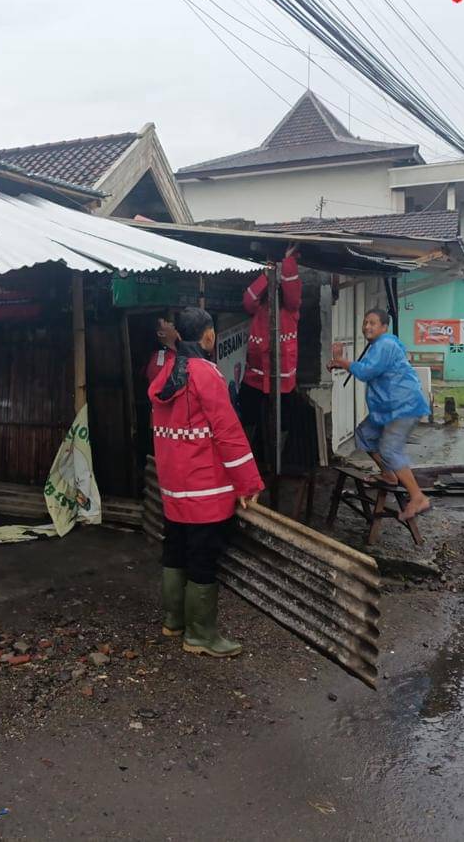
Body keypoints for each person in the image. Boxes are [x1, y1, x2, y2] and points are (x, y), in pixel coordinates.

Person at [149, 307, 264, 658]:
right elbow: (228, 433)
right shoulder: (207, 375)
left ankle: (174, 621)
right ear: (209, 336)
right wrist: (249, 484)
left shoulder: (165, 371)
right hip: (206, 490)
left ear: (178, 336)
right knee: (202, 558)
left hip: (174, 487)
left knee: (175, 549)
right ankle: (200, 635)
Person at [328, 308, 432, 521]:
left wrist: (341, 361)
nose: (367, 326)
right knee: (365, 434)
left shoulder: (385, 344)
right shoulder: (379, 345)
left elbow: (366, 371)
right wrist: (342, 363)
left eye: (372, 323)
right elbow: (366, 368)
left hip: (403, 406)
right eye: (365, 322)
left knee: (389, 448)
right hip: (388, 408)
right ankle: (388, 474)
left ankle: (418, 496)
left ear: (384, 327)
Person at [238, 243, 302, 449]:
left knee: (282, 422)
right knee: (248, 418)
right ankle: (248, 458)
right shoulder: (258, 310)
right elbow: (248, 299)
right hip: (255, 377)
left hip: (282, 380)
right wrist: (268, 273)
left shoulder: (292, 310)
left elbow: (292, 290)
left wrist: (287, 261)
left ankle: (277, 461)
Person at [144, 311, 179, 385]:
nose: (171, 324)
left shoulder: (179, 351)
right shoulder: (160, 361)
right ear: (161, 333)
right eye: (165, 322)